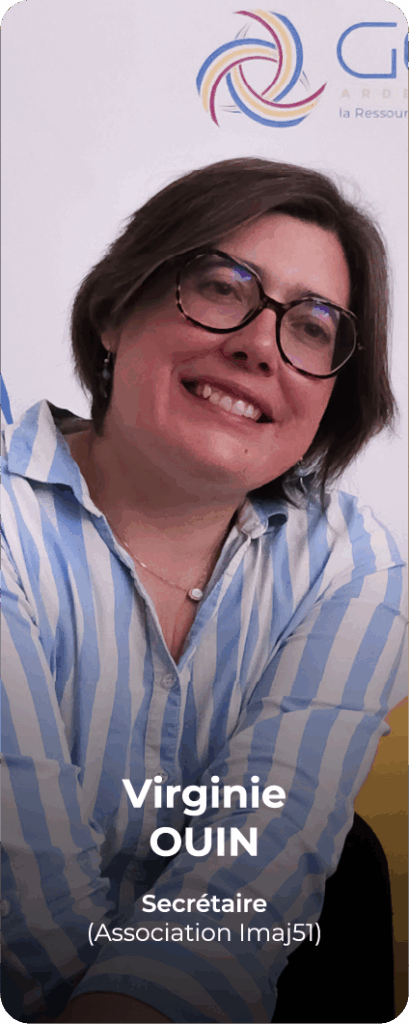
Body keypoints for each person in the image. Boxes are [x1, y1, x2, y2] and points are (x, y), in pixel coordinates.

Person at [1, 158, 406, 1024]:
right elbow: (26, 912)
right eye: (222, 287)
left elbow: (248, 880)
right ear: (114, 312)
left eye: (312, 327)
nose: (259, 345)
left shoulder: (351, 564)